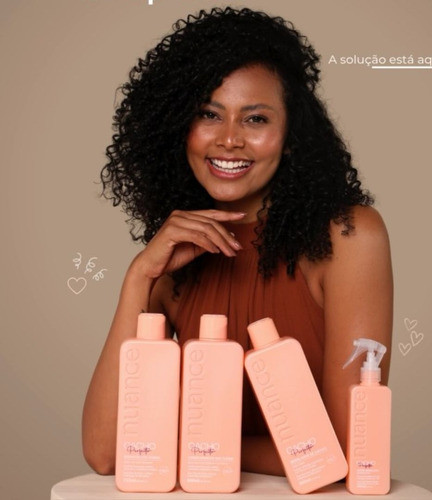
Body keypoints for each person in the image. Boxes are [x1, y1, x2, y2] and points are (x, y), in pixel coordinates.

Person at [82, 6, 393, 477]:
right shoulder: (173, 261)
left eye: (255, 119)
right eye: (209, 114)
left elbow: (351, 452)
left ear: (290, 136)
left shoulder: (348, 237)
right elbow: (105, 453)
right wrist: (139, 276)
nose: (229, 140)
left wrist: (185, 446)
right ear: (178, 128)